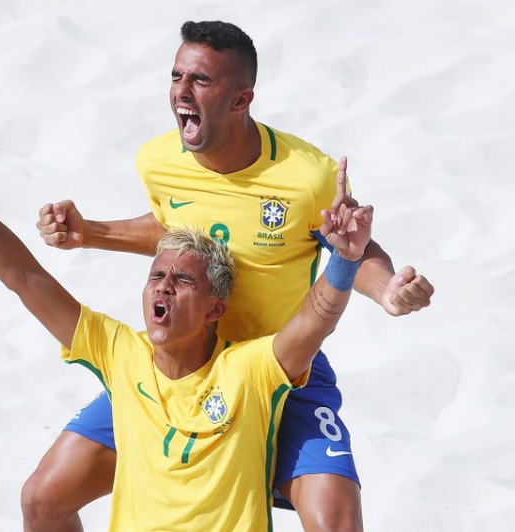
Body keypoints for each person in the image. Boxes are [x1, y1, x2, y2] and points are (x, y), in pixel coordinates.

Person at [26, 20, 434, 532]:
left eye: (199, 80)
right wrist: (91, 232)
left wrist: (388, 289)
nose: (180, 90)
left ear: (241, 98)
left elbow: (351, 245)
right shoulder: (157, 161)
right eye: (176, 75)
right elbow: (173, 231)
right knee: (42, 499)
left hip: (280, 365)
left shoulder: (307, 176)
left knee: (337, 523)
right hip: (185, 369)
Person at [0, 90, 375, 531]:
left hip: (267, 398)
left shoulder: (248, 372)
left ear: (216, 308)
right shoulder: (120, 355)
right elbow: (23, 276)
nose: (162, 287)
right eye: (156, 276)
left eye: (182, 280)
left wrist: (347, 262)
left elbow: (317, 318)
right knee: (40, 497)